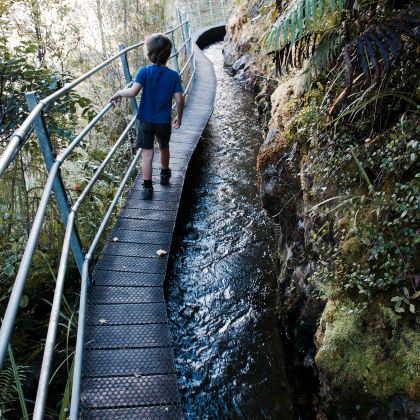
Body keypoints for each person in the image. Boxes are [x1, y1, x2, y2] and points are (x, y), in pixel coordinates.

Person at [110, 33, 184, 199]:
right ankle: (164, 174)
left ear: (150, 55)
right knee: (164, 146)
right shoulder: (173, 76)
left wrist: (119, 92)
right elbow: (179, 99)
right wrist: (179, 117)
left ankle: (147, 187)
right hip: (163, 120)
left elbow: (133, 91)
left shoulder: (144, 72)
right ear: (168, 54)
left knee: (147, 153)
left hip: (145, 120)